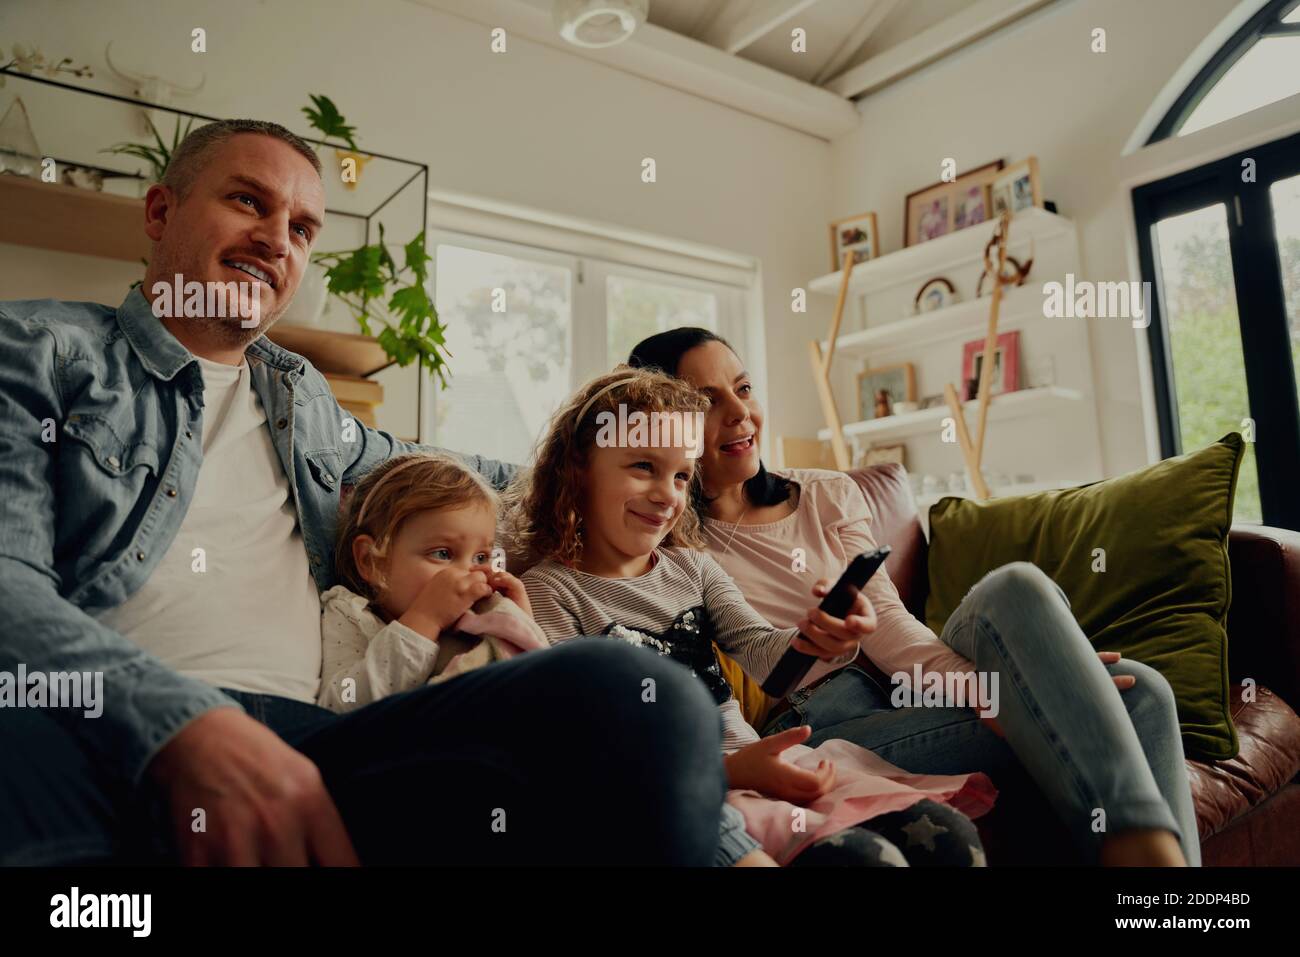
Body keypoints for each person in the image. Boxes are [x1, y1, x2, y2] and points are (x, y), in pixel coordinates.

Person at [0, 119, 726, 866]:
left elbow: (455, 469)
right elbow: (7, 586)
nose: (277, 240)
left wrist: (622, 470)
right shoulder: (36, 351)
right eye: (249, 202)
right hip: (95, 733)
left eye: (303, 228)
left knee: (637, 694)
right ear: (160, 212)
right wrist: (179, 724)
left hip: (323, 745)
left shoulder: (302, 400)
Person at [628, 327, 1199, 867]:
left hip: (903, 688)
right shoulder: (668, 543)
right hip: (820, 725)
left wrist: (1035, 674)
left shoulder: (827, 492)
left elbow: (893, 628)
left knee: (1016, 586)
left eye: (744, 387)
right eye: (705, 402)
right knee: (1139, 694)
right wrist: (1031, 694)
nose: (739, 412)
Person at [511, 367, 996, 867]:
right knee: (866, 860)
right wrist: (736, 770)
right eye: (642, 467)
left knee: (948, 835)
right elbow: (587, 749)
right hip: (684, 794)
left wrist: (818, 639)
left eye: (681, 475)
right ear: (578, 469)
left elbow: (766, 658)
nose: (667, 494)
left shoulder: (694, 567)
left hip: (767, 772)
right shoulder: (550, 592)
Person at [317, 452, 548, 713]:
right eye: (443, 554)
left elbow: (536, 692)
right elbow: (338, 705)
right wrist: (426, 618)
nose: (467, 574)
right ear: (372, 561)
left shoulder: (475, 621)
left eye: (481, 557)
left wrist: (518, 622)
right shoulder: (351, 614)